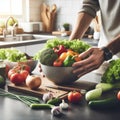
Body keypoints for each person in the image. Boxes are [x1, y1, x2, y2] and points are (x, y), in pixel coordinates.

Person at [69, 0, 120, 78]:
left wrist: (106, 51)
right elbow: (89, 5)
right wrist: (68, 47)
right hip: (105, 60)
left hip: (105, 54)